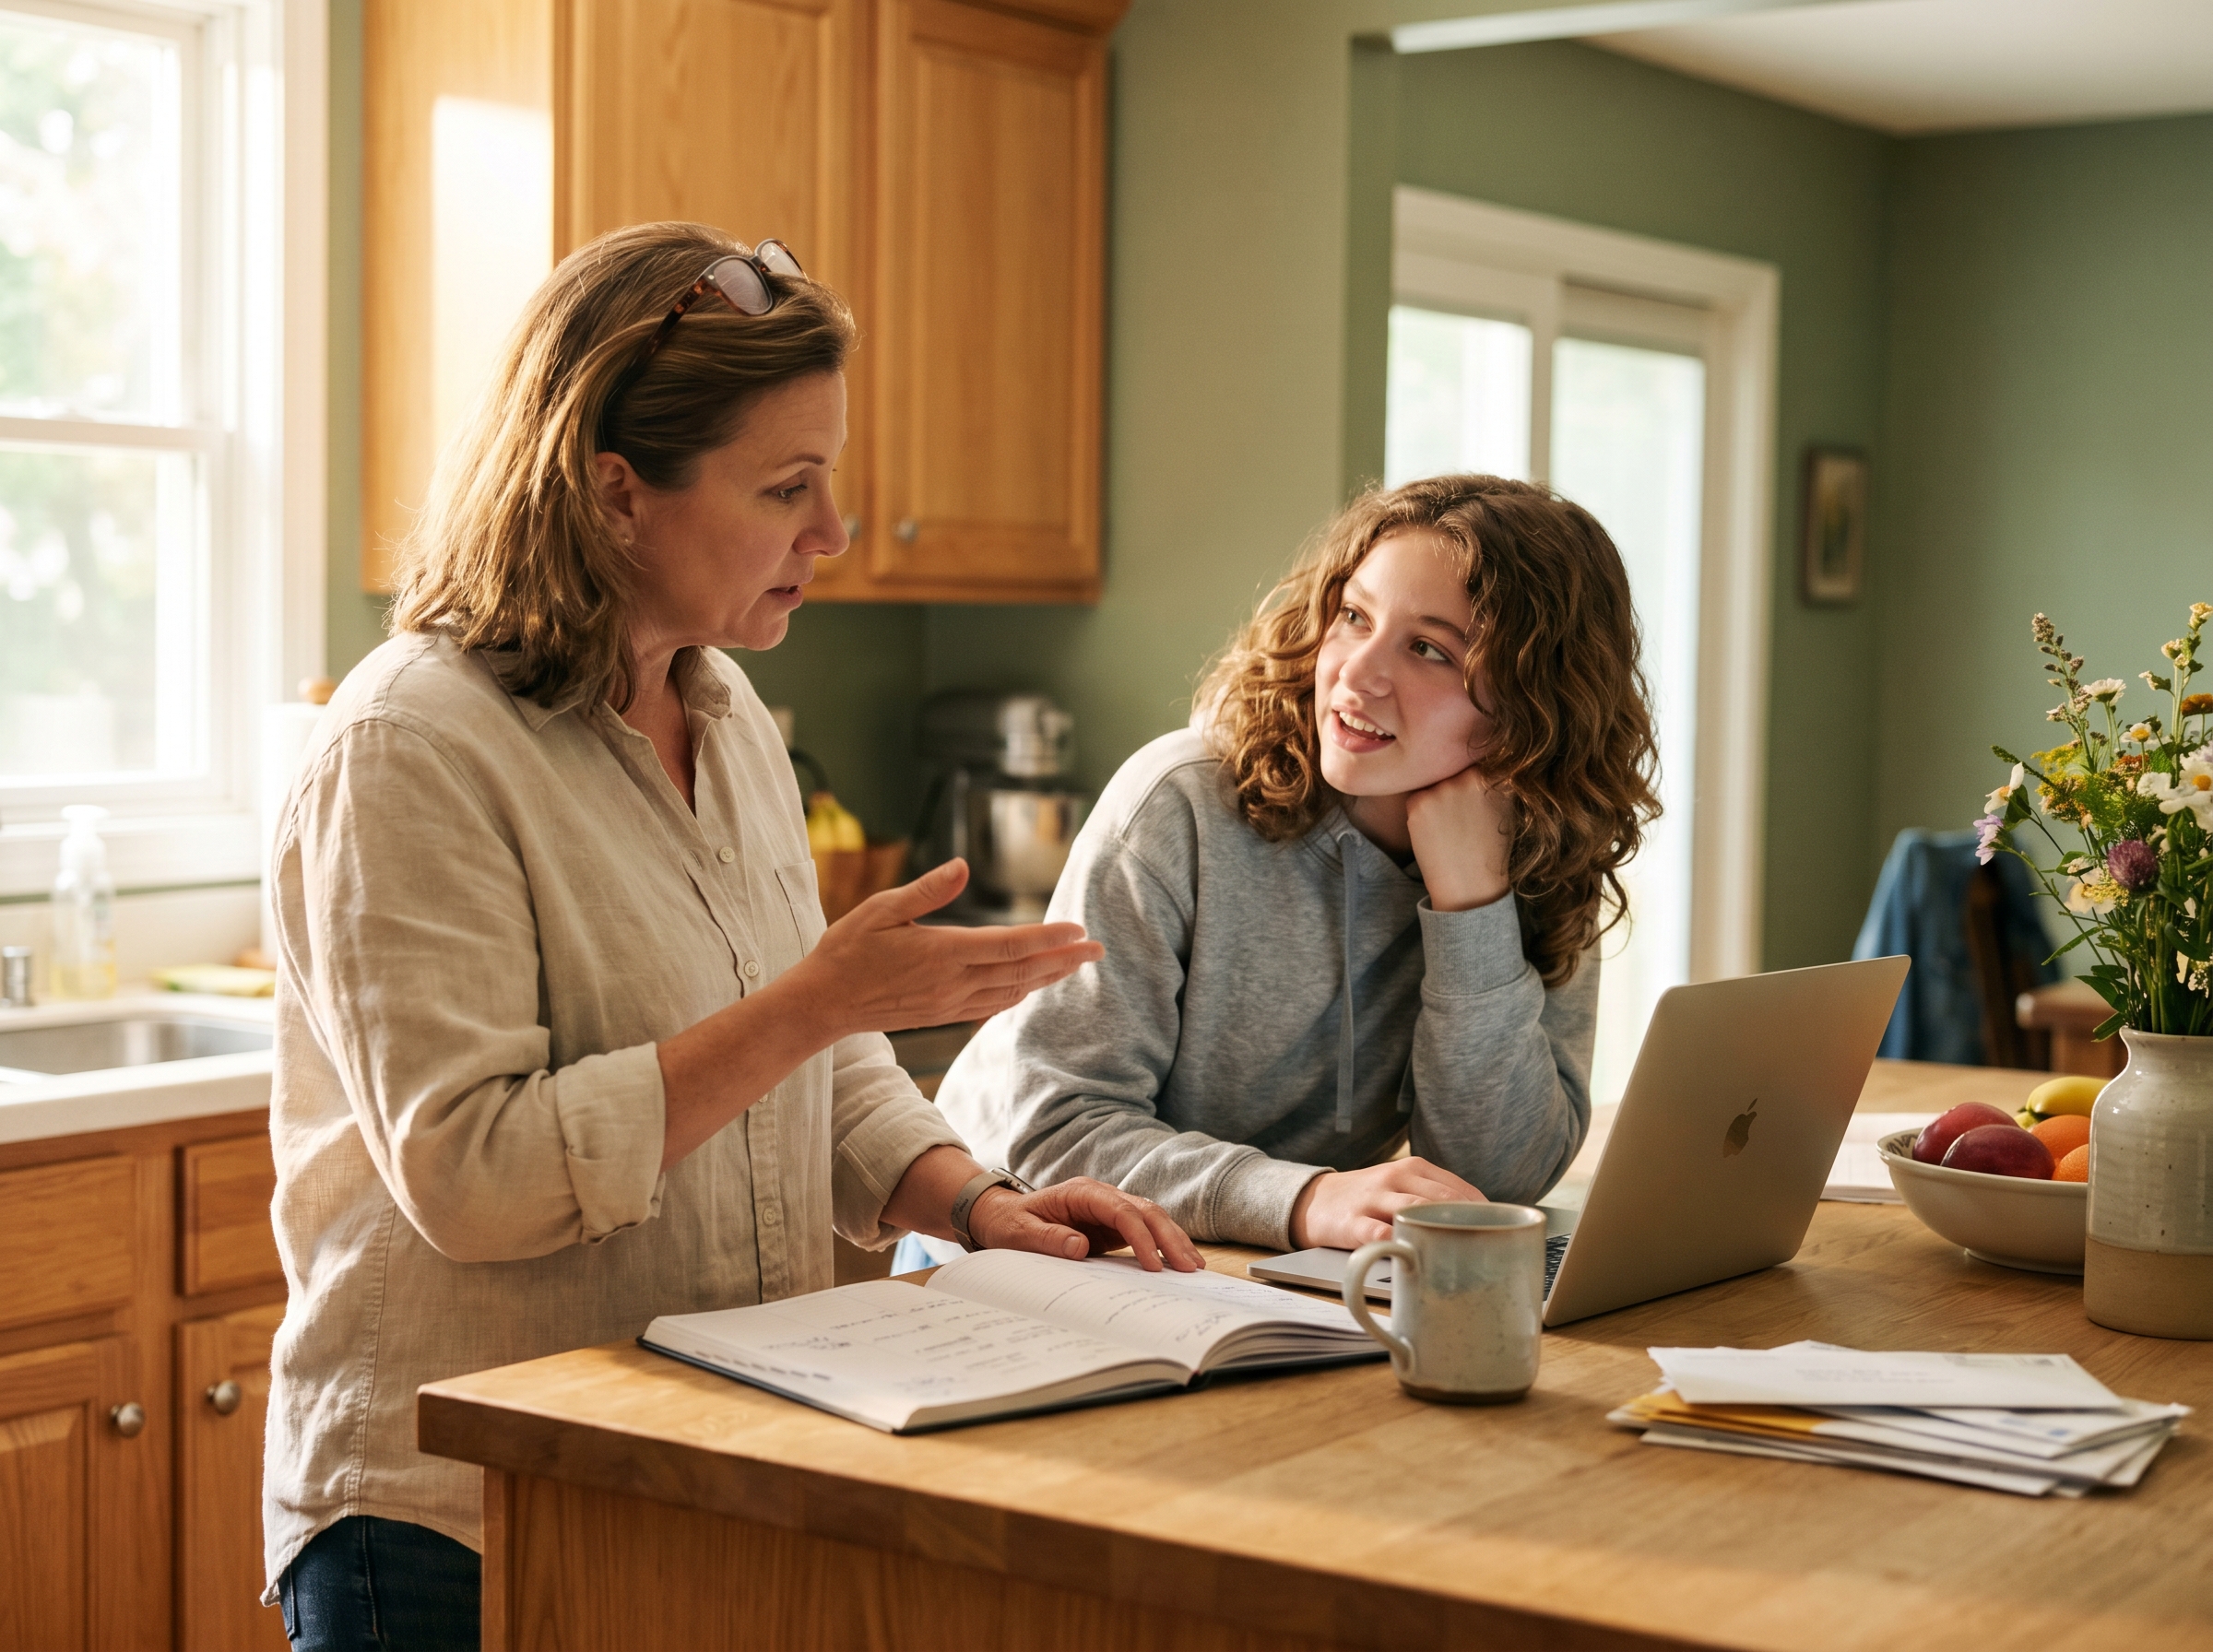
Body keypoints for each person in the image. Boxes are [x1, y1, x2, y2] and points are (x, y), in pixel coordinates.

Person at [261, 222, 1198, 1652]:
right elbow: (474, 1177)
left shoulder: (725, 709)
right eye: (786, 488)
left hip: (689, 1469)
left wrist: (971, 1203)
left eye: (832, 482)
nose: (829, 533)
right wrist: (814, 1005)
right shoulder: (409, 747)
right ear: (613, 492)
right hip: (453, 1517)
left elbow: (814, 1061)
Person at [922, 475, 1659, 1258]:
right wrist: (1301, 1199)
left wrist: (1473, 910)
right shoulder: (1179, 808)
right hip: (1013, 1264)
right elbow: (1052, 1128)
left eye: (1428, 650)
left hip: (1253, 1276)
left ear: (1536, 704)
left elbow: (1499, 1180)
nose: (1356, 672)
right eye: (1353, 616)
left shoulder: (1540, 851)